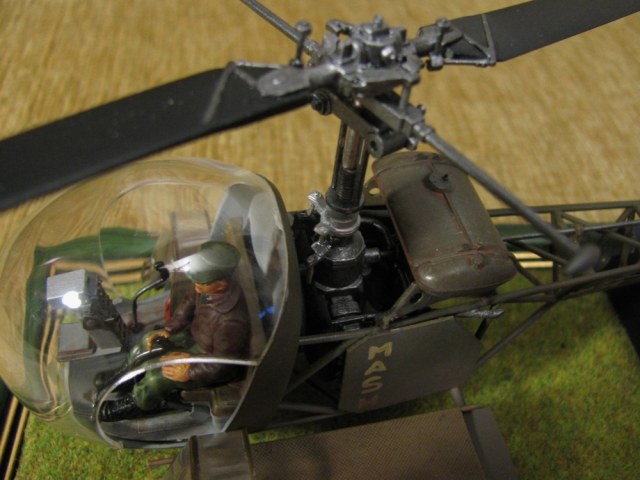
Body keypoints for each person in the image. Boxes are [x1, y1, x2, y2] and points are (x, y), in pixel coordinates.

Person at [100, 241, 251, 421]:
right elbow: (187, 305)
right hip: (193, 338)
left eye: (200, 283)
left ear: (220, 285)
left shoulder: (231, 322)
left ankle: (137, 404)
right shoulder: (206, 288)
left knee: (156, 378)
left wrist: (189, 371)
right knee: (147, 342)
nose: (195, 286)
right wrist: (169, 329)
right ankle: (124, 378)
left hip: (208, 361)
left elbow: (222, 364)